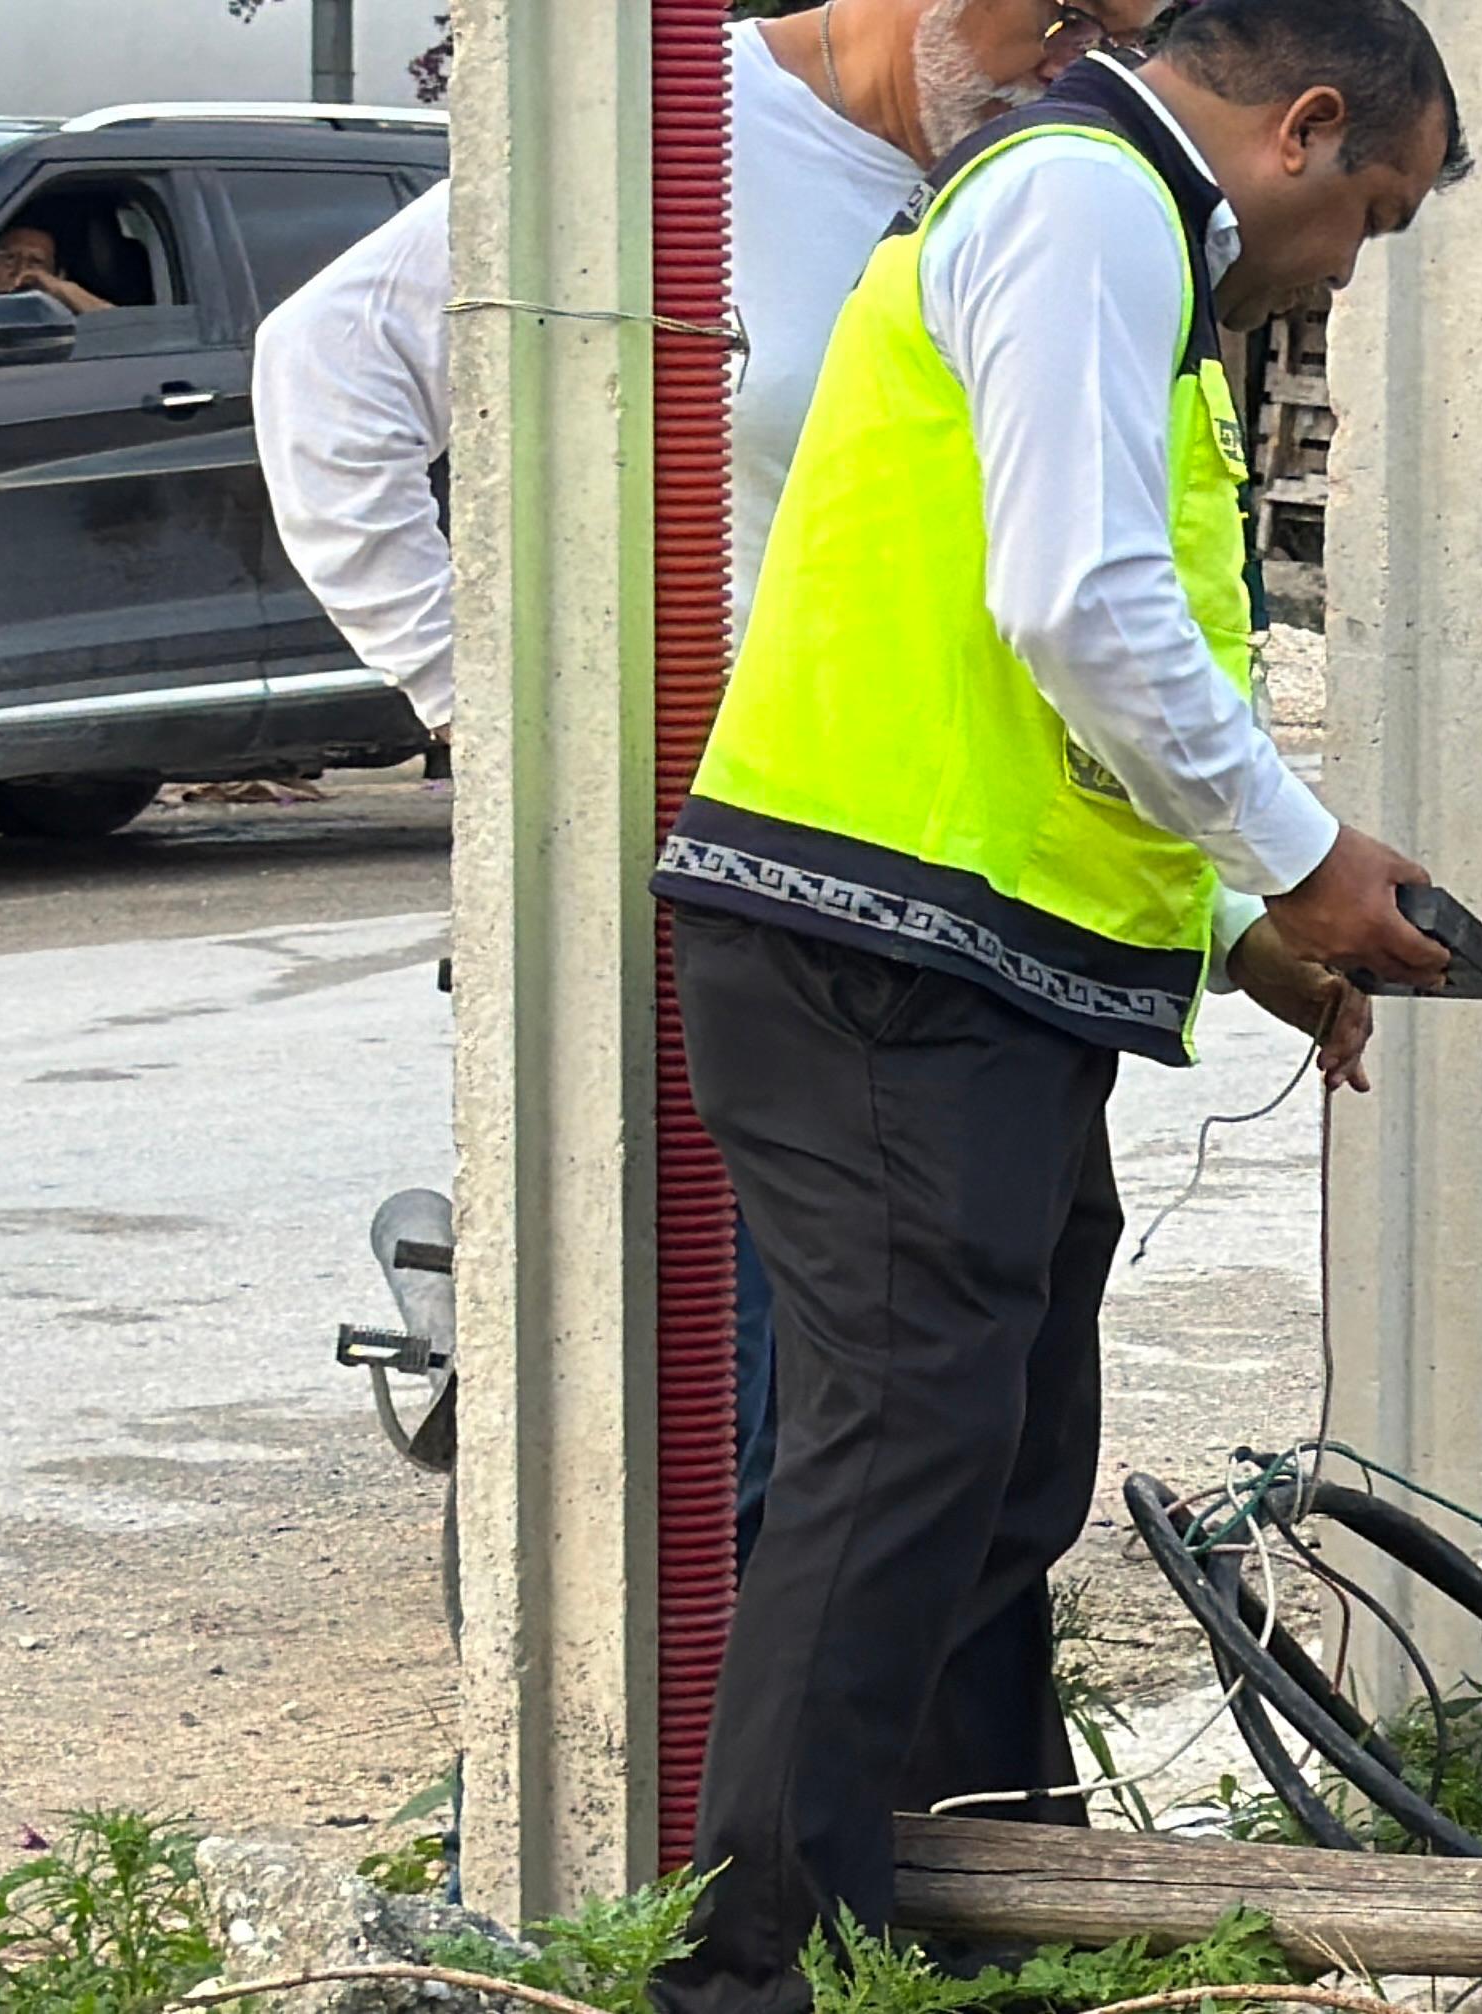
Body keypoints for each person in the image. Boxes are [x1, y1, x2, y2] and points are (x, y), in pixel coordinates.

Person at [645, 0, 1466, 2000]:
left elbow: (1053, 712)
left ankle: (946, 1876)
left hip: (957, 962)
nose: (1346, 265)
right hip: (874, 954)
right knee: (905, 1434)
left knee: (990, 1439)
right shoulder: (1086, 204)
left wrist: (1234, 936)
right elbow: (1077, 601)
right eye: (1367, 211)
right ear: (1303, 124)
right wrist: (1298, 848)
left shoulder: (1115, 241)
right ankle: (750, 1966)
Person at [250, 0, 1159, 1568]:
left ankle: (853, 1776)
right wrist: (487, 703)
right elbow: (325, 365)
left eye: (1121, 32)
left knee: (921, 1403)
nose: (1072, 56)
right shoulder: (679, 127)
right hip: (705, 868)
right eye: (1060, 8)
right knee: (707, 1393)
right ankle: (624, 1788)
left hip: (927, 895)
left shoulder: (1035, 173)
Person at [0, 222, 111, 315]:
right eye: (9, 258)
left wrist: (63, 290)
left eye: (36, 262)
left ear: (58, 276)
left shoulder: (66, 328)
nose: (20, 272)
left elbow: (124, 329)